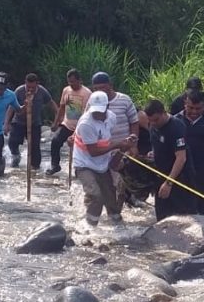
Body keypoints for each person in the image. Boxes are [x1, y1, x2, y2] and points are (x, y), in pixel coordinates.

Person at [72, 91, 137, 226]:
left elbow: (106, 140)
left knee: (111, 195)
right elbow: (93, 151)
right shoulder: (86, 123)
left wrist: (123, 146)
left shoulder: (111, 118)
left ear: (107, 107)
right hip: (85, 164)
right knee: (96, 195)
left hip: (102, 163)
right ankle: (90, 226)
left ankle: (116, 221)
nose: (98, 114)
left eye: (101, 111)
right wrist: (118, 145)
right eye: (95, 111)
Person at [90, 72, 140, 206]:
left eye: (103, 87)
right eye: (96, 89)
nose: (99, 91)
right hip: (103, 151)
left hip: (123, 149)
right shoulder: (93, 102)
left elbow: (134, 122)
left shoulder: (124, 100)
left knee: (121, 184)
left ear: (110, 86)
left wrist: (133, 144)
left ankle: (120, 211)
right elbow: (86, 123)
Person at [144, 99, 198, 221]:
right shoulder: (152, 125)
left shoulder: (176, 127)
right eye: (150, 120)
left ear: (164, 113)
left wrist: (169, 182)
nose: (153, 123)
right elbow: (157, 143)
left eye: (156, 120)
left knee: (185, 217)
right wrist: (154, 152)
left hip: (180, 178)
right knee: (163, 218)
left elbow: (181, 158)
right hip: (161, 175)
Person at [8, 73, 58, 170]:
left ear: (37, 84)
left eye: (33, 87)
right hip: (19, 121)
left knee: (35, 148)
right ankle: (16, 156)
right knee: (12, 142)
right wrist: (6, 123)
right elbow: (11, 107)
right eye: (28, 87)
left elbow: (52, 105)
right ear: (25, 83)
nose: (30, 89)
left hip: (35, 123)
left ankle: (35, 169)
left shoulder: (42, 91)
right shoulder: (19, 91)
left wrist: (57, 120)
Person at [47, 68, 91, 176]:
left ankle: (79, 169)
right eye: (69, 82)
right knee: (55, 141)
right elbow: (62, 107)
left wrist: (79, 131)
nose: (71, 84)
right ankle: (55, 165)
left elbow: (87, 113)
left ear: (79, 80)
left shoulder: (87, 93)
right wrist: (56, 122)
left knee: (78, 149)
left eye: (73, 81)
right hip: (67, 124)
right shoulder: (66, 90)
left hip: (80, 127)